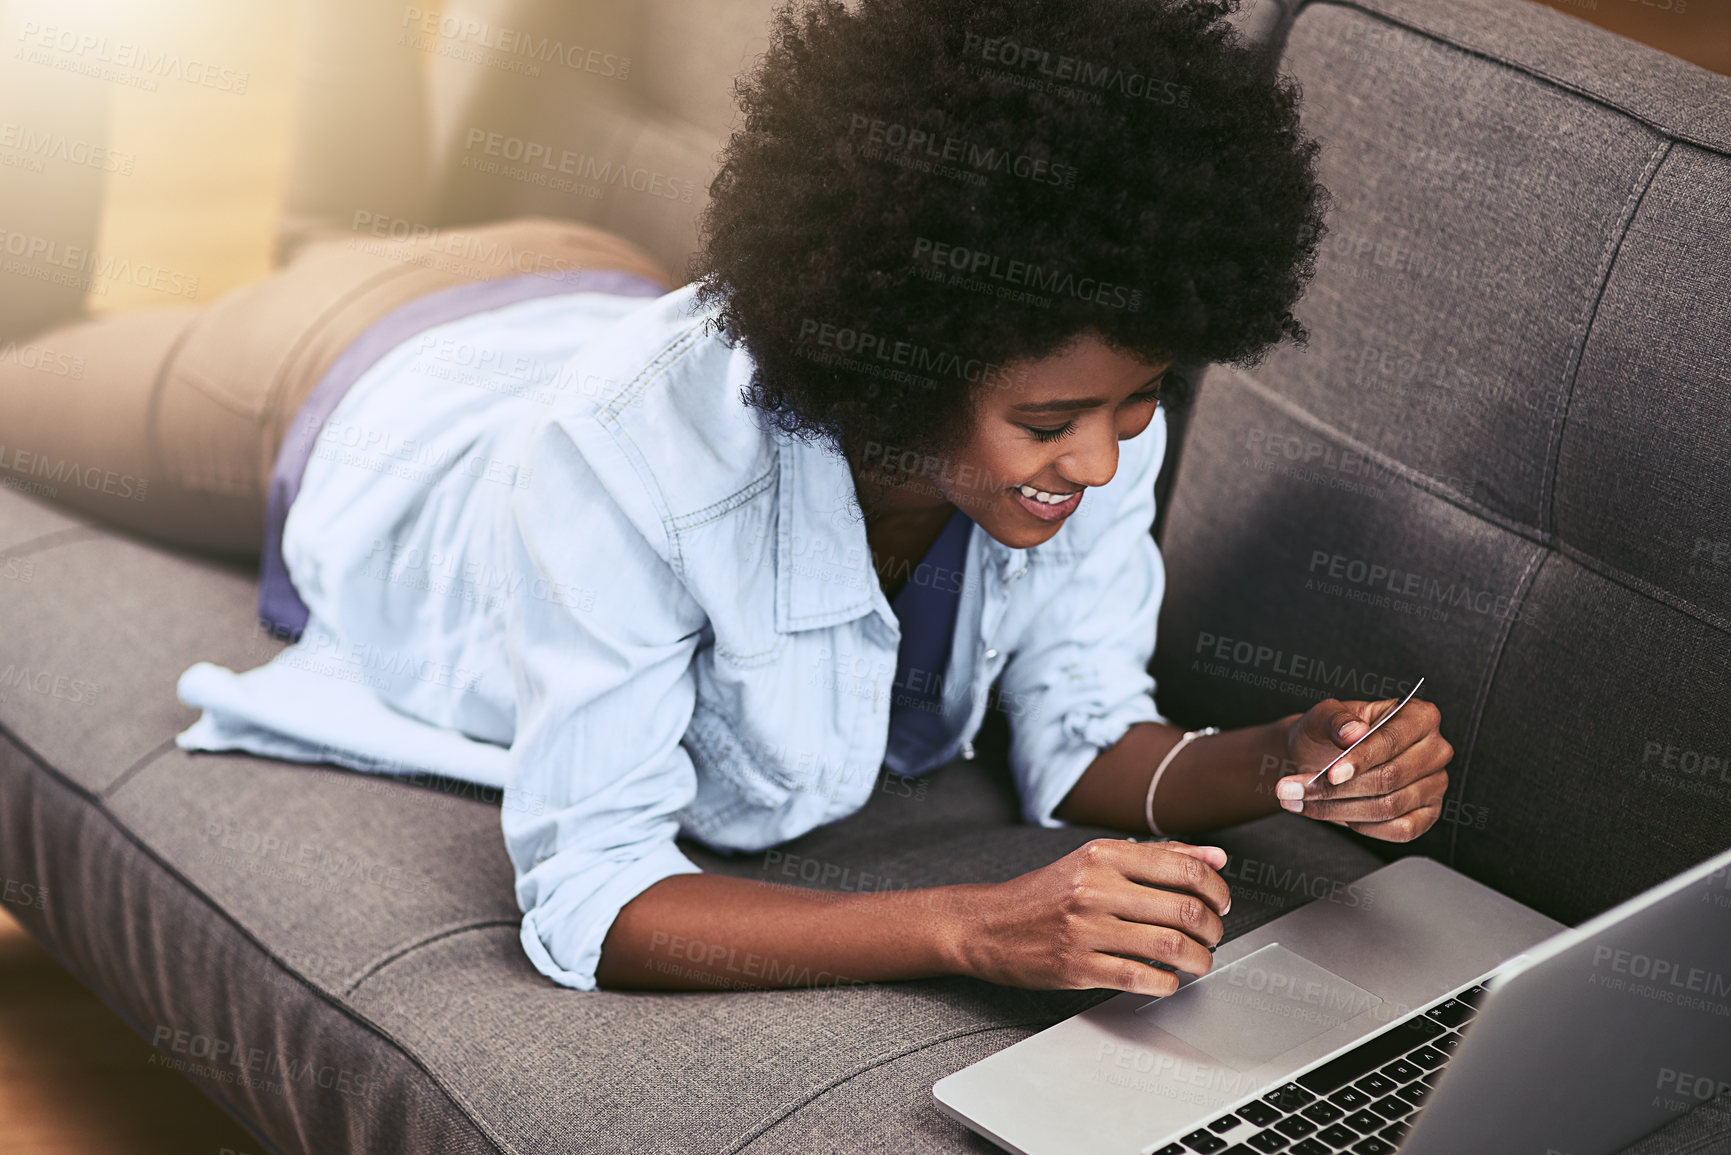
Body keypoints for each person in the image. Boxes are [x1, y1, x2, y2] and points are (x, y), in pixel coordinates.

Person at [0, 0, 1453, 997]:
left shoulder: (1081, 415)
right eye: (1050, 421)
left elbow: (1080, 734)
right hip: (382, 374)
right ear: (905, 367)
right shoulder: (622, 462)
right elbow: (592, 900)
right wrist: (972, 925)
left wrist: (1275, 758)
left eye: (1138, 402)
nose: (1101, 457)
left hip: (590, 281)